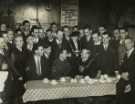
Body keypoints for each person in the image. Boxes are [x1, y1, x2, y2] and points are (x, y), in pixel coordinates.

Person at [117, 38, 135, 104]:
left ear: (133, 43)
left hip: (132, 81)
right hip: (125, 79)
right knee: (118, 86)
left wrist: (130, 82)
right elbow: (121, 67)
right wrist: (122, 74)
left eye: (128, 43)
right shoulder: (126, 55)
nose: (127, 45)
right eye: (125, 44)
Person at [0, 37, 14, 104]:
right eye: (1, 42)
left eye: (4, 42)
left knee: (8, 94)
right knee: (2, 95)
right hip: (1, 78)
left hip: (8, 76)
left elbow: (10, 63)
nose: (3, 43)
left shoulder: (5, 51)